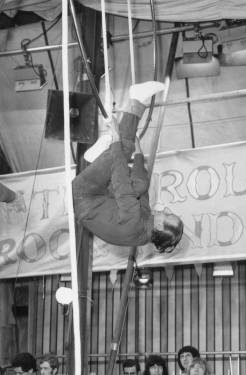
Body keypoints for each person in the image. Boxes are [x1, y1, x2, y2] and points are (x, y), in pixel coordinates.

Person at [72, 81, 183, 251]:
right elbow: (142, 190)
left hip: (84, 195)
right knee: (140, 183)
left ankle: (136, 99)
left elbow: (121, 181)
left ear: (160, 226)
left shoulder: (135, 223)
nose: (166, 209)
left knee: (122, 148)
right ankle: (104, 154)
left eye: (168, 214)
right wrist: (138, 152)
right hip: (101, 198)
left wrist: (117, 137)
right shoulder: (145, 229)